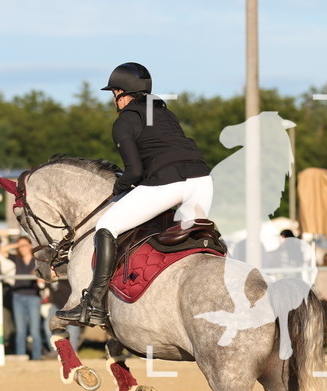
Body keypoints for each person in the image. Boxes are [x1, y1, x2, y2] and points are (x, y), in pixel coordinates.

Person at [57, 62, 213, 327]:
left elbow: (134, 172)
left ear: (121, 92)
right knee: (199, 238)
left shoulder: (125, 121)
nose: (113, 99)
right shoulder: (164, 113)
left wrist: (118, 187)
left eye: (113, 93)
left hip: (169, 183)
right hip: (202, 182)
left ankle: (93, 303)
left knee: (106, 226)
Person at [7, 236, 45, 360]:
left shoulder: (37, 260)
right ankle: (20, 356)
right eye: (20, 246)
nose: (22, 248)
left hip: (33, 297)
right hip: (17, 296)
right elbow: (0, 251)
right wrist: (17, 245)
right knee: (20, 330)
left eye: (25, 245)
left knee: (34, 330)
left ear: (30, 246)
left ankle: (37, 357)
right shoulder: (15, 259)